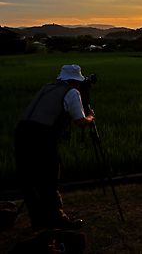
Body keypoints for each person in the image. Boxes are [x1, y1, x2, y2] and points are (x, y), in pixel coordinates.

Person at [14, 65, 95, 231]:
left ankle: (38, 223)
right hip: (41, 138)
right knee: (50, 182)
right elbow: (79, 122)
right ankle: (60, 222)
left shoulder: (48, 86)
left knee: (29, 182)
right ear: (76, 82)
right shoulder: (72, 92)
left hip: (21, 133)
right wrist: (90, 117)